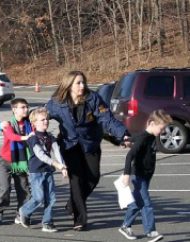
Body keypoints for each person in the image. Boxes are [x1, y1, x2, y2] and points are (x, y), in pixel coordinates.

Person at [45, 70, 130, 231]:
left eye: (83, 82)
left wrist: (123, 134)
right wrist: (26, 124)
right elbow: (41, 115)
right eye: (78, 83)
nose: (82, 86)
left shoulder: (93, 99)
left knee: (93, 177)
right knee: (76, 181)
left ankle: (72, 204)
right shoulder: (57, 102)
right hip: (69, 145)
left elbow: (108, 119)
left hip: (90, 143)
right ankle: (80, 219)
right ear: (69, 85)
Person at [118, 110, 171, 242]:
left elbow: (134, 138)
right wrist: (126, 174)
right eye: (161, 128)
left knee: (137, 203)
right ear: (152, 123)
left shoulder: (150, 136)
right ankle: (151, 231)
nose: (163, 131)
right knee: (146, 204)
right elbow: (130, 155)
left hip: (146, 176)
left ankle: (125, 226)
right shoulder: (144, 137)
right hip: (139, 175)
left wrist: (127, 141)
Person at [18, 107, 68, 232]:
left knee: (51, 198)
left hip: (48, 171)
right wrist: (56, 164)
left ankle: (47, 222)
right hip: (36, 171)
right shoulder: (33, 138)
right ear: (34, 123)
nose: (45, 121)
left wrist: (63, 166)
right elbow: (40, 154)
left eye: (46, 119)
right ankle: (24, 211)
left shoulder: (50, 137)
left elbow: (57, 151)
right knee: (39, 198)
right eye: (42, 120)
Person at [0, 98, 32, 224]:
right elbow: (11, 136)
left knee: (23, 188)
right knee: (5, 188)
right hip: (6, 161)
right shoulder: (7, 124)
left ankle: (21, 212)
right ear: (14, 110)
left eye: (26, 107)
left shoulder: (29, 124)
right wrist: (26, 137)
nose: (26, 109)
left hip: (20, 160)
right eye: (22, 107)